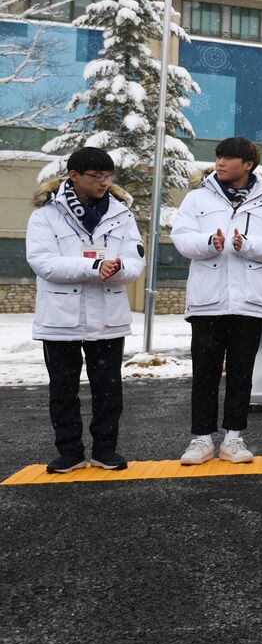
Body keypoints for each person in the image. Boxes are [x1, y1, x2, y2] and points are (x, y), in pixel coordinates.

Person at [171, 138, 262, 465]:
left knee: (242, 372)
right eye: (218, 157)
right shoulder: (197, 197)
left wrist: (247, 245)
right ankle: (200, 440)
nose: (220, 163)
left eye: (228, 158)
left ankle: (234, 439)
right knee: (205, 373)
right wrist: (210, 242)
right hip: (207, 301)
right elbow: (181, 237)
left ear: (248, 164)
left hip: (249, 301)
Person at [27, 147, 146, 473]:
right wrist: (94, 266)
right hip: (60, 319)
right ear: (74, 176)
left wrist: (119, 267)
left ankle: (105, 450)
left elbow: (136, 262)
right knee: (62, 390)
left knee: (109, 390)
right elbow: (43, 262)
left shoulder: (122, 213)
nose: (104, 182)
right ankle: (70, 452)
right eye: (97, 176)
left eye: (109, 176)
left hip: (108, 317)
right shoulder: (46, 214)